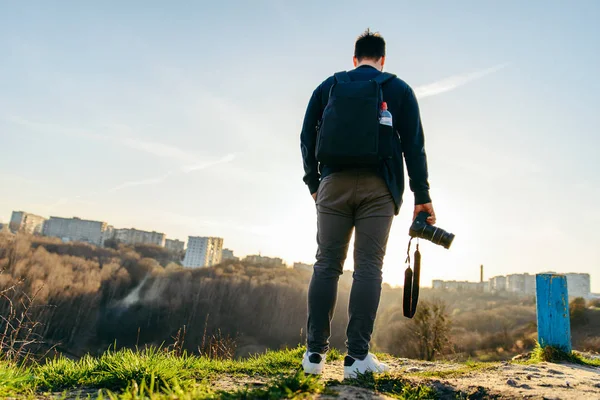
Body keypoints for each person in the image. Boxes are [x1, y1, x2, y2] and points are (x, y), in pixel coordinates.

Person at [299, 29, 436, 378]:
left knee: (327, 264)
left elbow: (305, 135)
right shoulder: (399, 89)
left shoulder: (328, 86)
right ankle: (356, 359)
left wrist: (315, 183)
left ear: (354, 58)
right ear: (383, 59)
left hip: (332, 184)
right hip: (379, 187)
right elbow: (414, 147)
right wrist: (422, 197)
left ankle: (314, 356)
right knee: (368, 268)